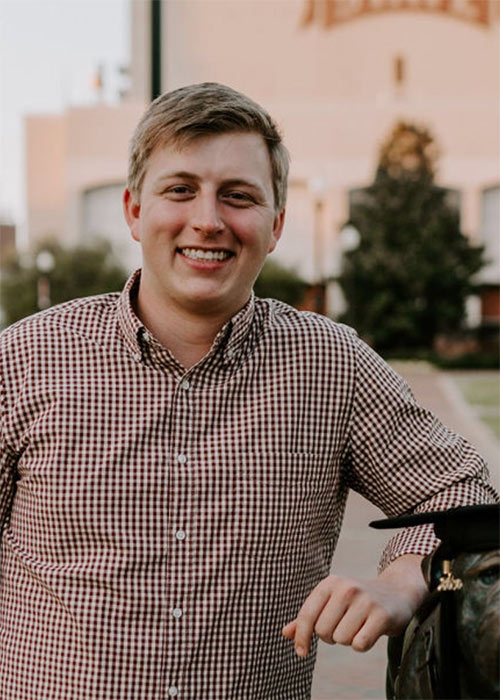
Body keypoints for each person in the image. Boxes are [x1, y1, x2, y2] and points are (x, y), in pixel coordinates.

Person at [0, 82, 496, 700]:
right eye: (180, 189)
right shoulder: (25, 359)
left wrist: (402, 581)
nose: (207, 220)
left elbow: (460, 492)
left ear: (276, 223)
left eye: (238, 197)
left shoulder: (332, 366)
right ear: (133, 210)